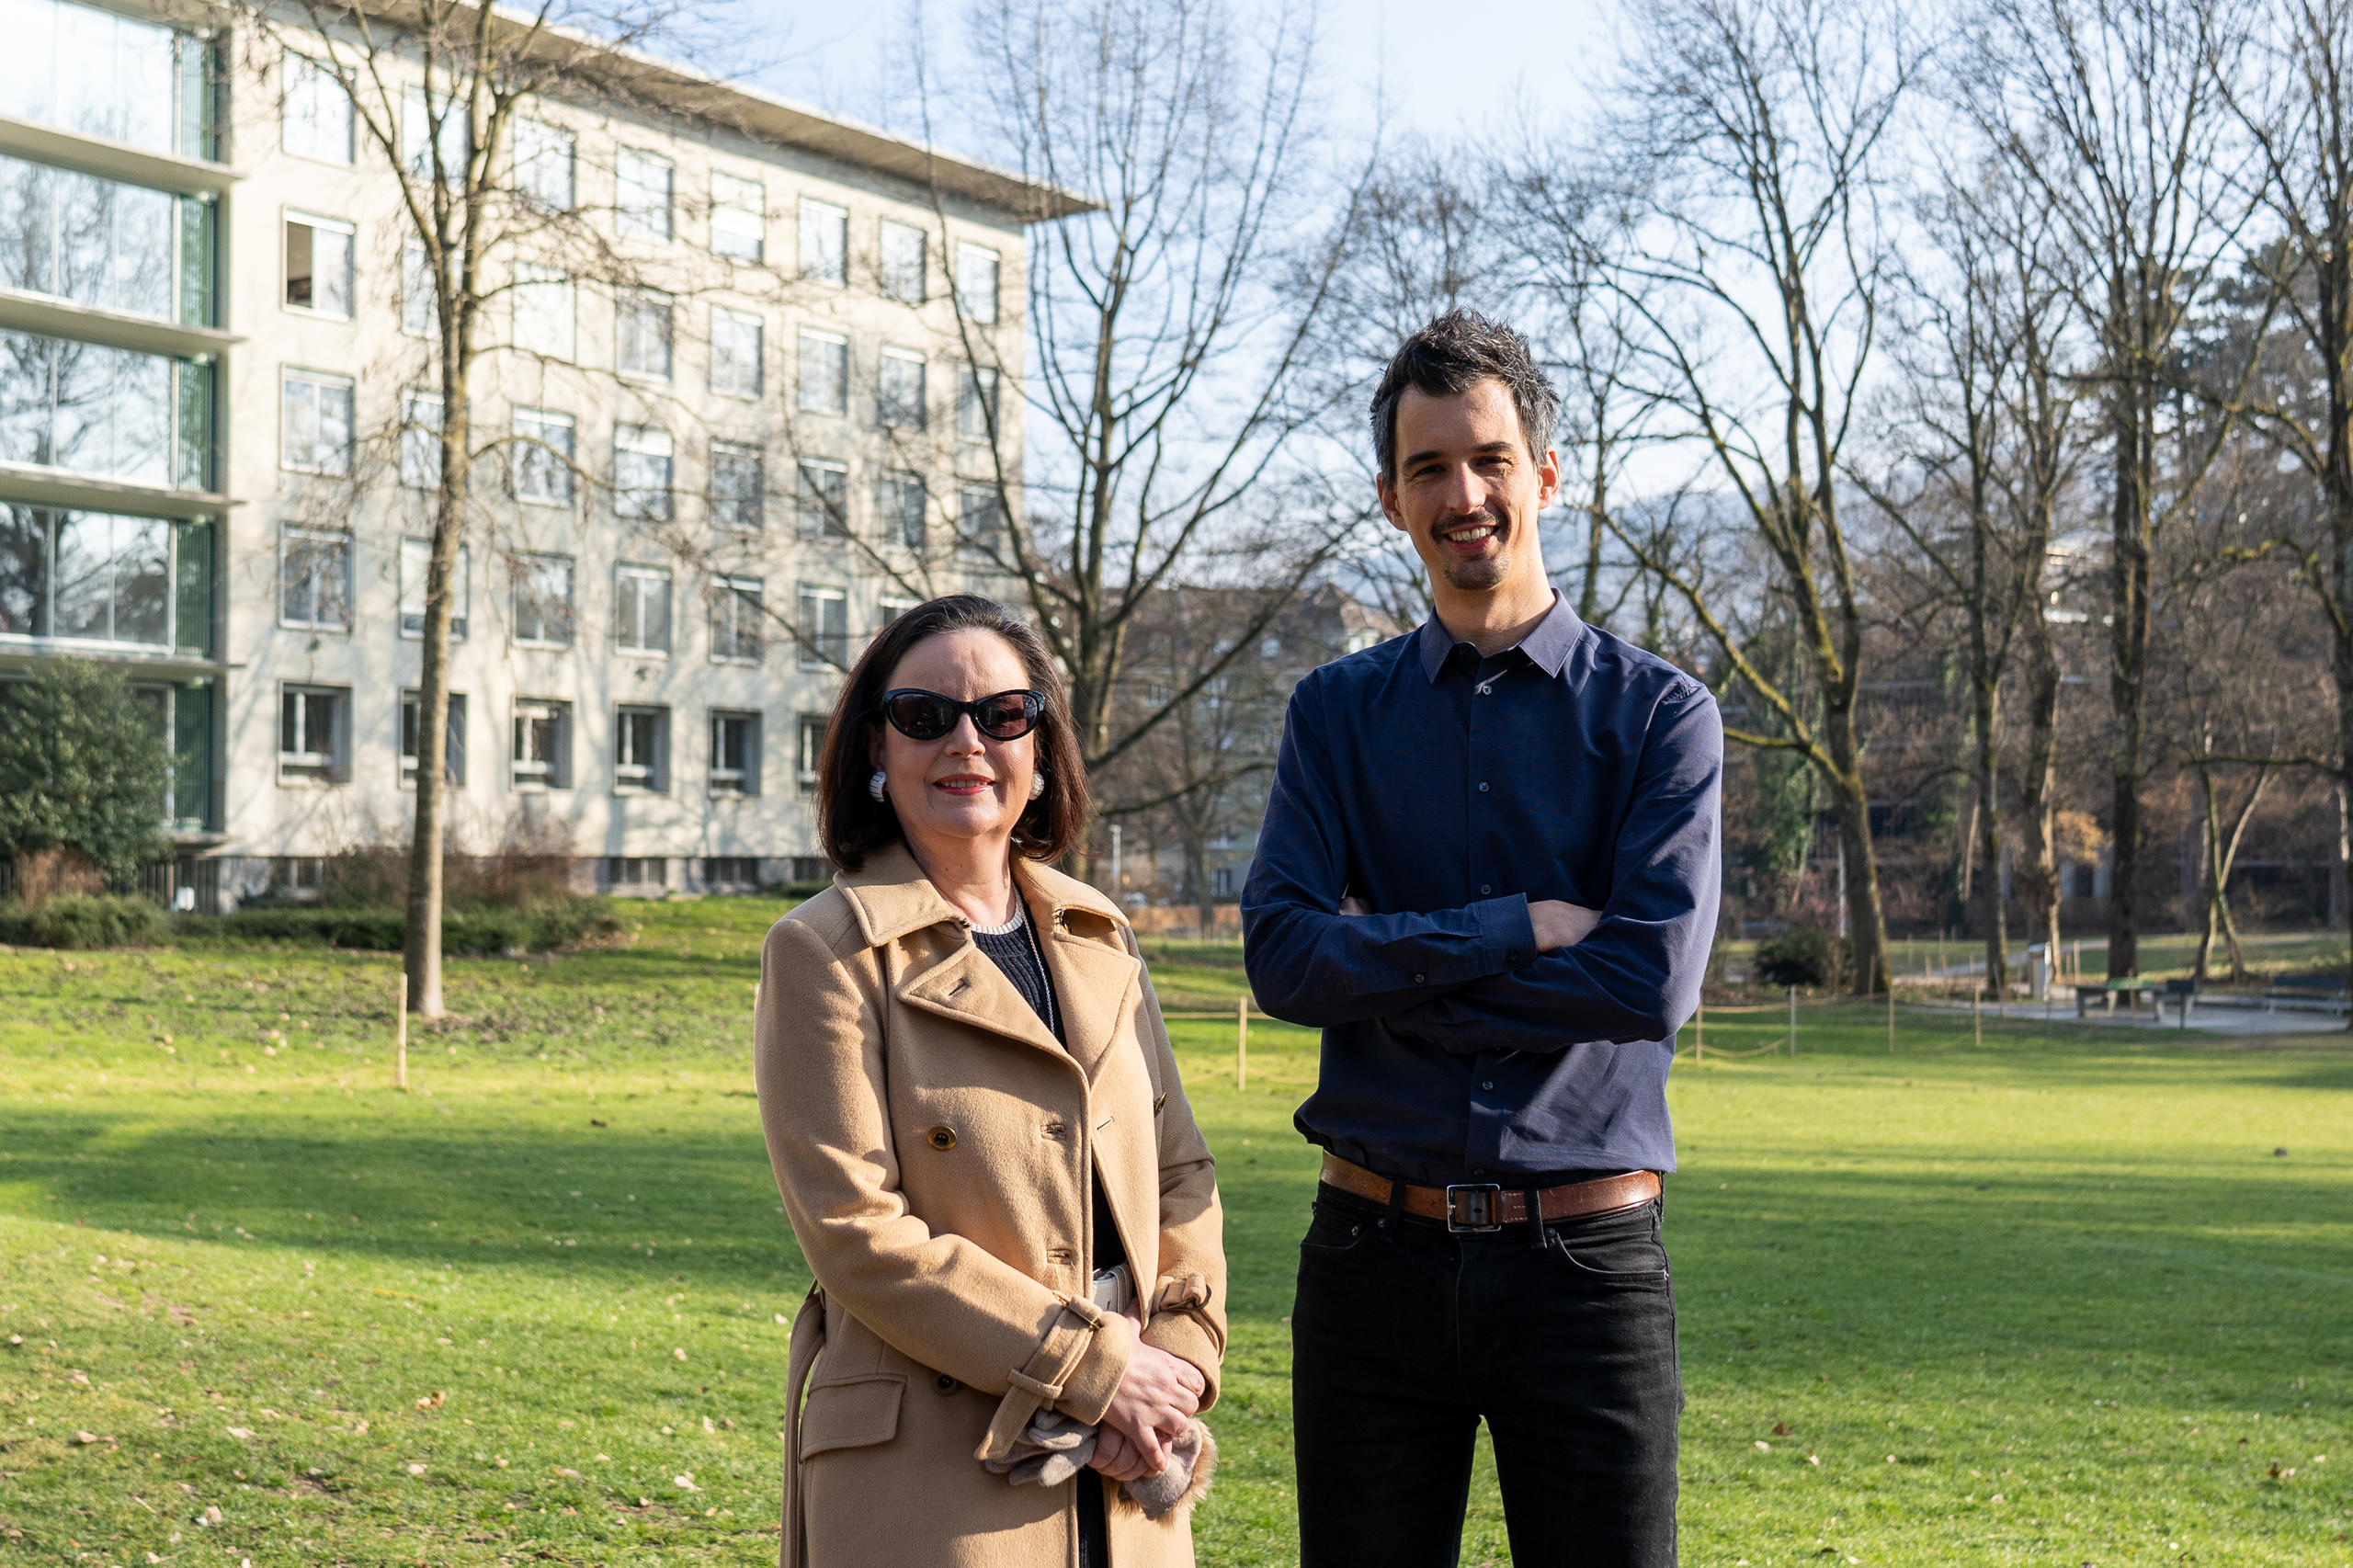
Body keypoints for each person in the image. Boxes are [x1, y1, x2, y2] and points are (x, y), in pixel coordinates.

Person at [1242, 310, 1722, 1568]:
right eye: (1428, 469)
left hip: (1588, 1268)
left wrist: (1393, 972)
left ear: (1544, 474)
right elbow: (1286, 960)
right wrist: (1514, 928)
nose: (1463, 494)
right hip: (1368, 1261)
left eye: (1489, 458)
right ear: (1395, 501)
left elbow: (1648, 980)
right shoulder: (1335, 715)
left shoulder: (1663, 717)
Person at [756, 594, 1227, 1568]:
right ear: (875, 753)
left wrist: (1171, 1365)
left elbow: (1179, 1170)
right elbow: (857, 1233)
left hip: (1128, 1467)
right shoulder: (823, 951)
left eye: (1003, 714)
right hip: (937, 1482)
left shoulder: (1099, 931)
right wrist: (1096, 1370)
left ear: (1043, 748)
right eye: (926, 716)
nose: (967, 741)